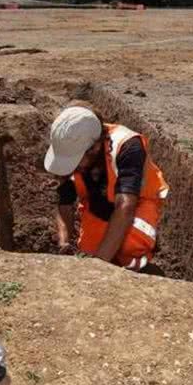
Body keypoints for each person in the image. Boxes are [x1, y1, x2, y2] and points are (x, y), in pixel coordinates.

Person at [44, 103, 169, 272]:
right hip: (99, 207)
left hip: (136, 207)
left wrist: (98, 267)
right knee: (88, 250)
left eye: (75, 160)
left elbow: (125, 207)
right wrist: (64, 241)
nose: (71, 167)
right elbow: (64, 199)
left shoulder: (128, 146)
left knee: (129, 247)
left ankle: (141, 271)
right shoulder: (71, 143)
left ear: (94, 148)